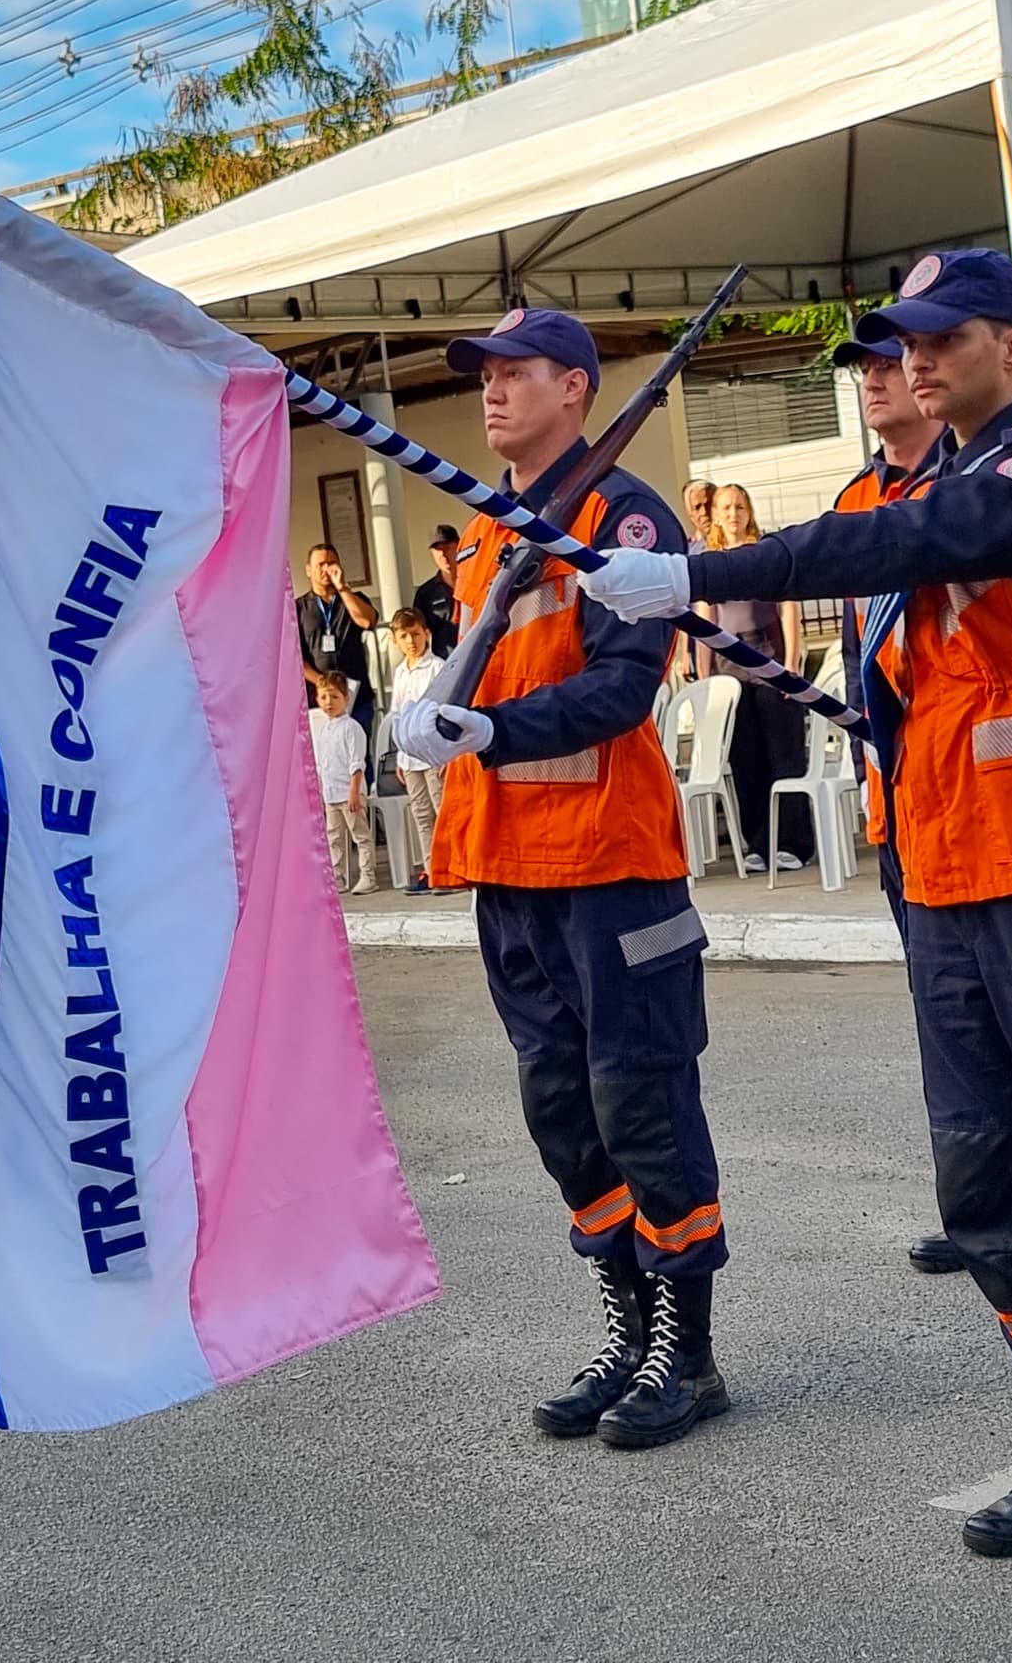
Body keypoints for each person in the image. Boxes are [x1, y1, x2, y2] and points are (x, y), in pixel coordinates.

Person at [581, 249, 1012, 1581]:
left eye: (946, 336)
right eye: (902, 341)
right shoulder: (924, 491)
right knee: (985, 1183)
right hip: (949, 881)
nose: (914, 359)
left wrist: (694, 568)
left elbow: (910, 542)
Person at [394, 306, 730, 1451]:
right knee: (562, 1115)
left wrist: (481, 726)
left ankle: (687, 1350)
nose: (490, 392)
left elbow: (622, 690)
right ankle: (627, 1326)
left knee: (643, 1104)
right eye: (483, 374)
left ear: (577, 388)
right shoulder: (494, 531)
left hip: (609, 864)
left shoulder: (621, 517)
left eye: (516, 372)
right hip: (507, 869)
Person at [832, 332, 961, 1279]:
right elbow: (853, 664)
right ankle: (974, 1198)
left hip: (980, 796)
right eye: (864, 367)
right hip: (898, 799)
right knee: (942, 1006)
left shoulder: (977, 482)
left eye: (889, 360)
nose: (876, 378)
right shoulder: (852, 503)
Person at [694, 483, 812, 873]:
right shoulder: (709, 561)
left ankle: (793, 843)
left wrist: (791, 663)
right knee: (744, 756)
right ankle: (758, 843)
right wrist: (704, 678)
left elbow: (788, 610)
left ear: (749, 511)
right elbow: (703, 622)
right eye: (726, 507)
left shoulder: (766, 552)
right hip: (729, 663)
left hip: (769, 653)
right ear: (715, 513)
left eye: (740, 506)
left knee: (783, 751)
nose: (733, 514)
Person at [388, 606, 447, 892]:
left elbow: (444, 709)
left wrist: (447, 752)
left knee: (442, 810)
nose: (411, 641)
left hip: (433, 753)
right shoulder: (400, 673)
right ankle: (431, 870)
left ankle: (450, 869)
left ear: (426, 633)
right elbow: (397, 715)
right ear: (395, 640)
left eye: (415, 634)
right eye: (404, 636)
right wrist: (400, 755)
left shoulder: (437, 667)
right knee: (422, 816)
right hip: (410, 758)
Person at [297, 543, 379, 747]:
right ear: (309, 570)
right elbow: (294, 656)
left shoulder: (353, 599)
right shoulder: (298, 608)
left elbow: (367, 622)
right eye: (320, 564)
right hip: (320, 699)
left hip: (355, 696)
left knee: (359, 755)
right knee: (326, 757)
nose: (326, 569)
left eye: (331, 563)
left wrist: (342, 588)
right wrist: (322, 682)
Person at [311, 670, 378, 896]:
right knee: (335, 838)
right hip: (331, 795)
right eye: (324, 697)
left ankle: (368, 875)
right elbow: (321, 764)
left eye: (334, 697)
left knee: (360, 835)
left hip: (349, 792)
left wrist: (354, 792)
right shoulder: (324, 730)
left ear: (346, 699)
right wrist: (321, 792)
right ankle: (337, 877)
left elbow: (356, 763)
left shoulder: (351, 728)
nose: (329, 703)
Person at [679, 482, 715, 677]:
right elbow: (684, 605)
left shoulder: (735, 544)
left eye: (708, 504)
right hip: (699, 642)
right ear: (689, 513)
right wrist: (685, 653)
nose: (704, 512)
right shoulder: (686, 552)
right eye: (697, 507)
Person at [413, 525, 461, 660]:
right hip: (445, 664)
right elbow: (420, 633)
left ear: (459, 547)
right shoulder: (426, 593)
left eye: (448, 547)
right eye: (438, 550)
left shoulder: (476, 582)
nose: (443, 555)